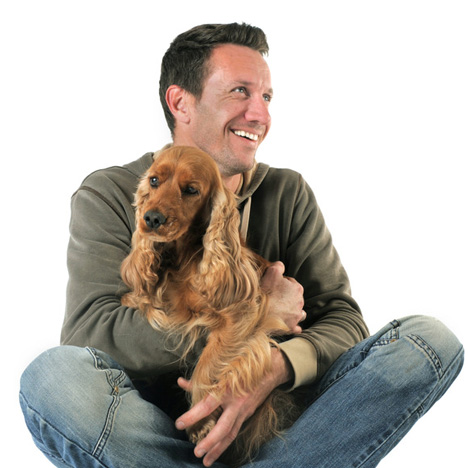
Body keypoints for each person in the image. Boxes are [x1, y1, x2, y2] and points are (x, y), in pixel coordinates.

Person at [20, 23, 463, 468]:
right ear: (181, 103)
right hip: (155, 430)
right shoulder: (110, 192)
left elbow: (345, 323)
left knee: (427, 343)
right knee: (53, 378)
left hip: (279, 430)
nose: (260, 115)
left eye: (266, 97)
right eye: (240, 92)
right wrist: (251, 316)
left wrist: (275, 366)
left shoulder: (287, 192)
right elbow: (90, 334)